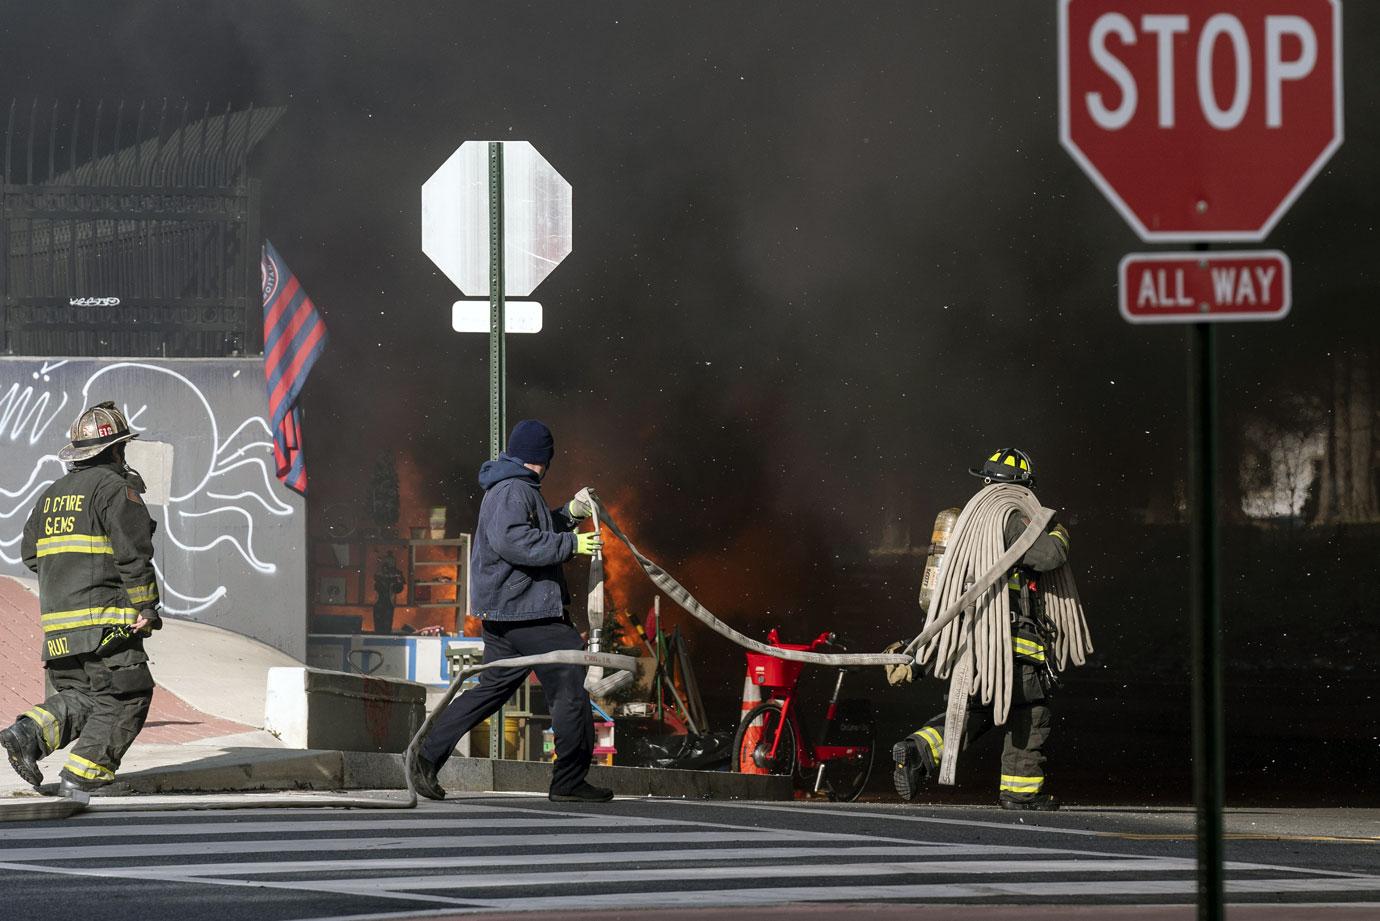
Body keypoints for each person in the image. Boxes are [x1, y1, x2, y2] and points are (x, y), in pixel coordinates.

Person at [412, 420, 609, 803]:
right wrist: (572, 545)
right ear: (543, 458)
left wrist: (569, 513)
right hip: (528, 611)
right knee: (570, 677)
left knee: (492, 689)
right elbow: (515, 540)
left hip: (508, 613)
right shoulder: (514, 489)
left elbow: (531, 526)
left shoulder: (511, 486)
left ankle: (425, 755)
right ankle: (569, 780)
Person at [891, 448, 1070, 811]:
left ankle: (918, 750)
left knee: (975, 710)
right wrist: (1060, 532)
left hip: (972, 640)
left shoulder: (971, 521)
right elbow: (1049, 555)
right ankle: (1020, 793)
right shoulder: (1012, 518)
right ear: (1022, 485)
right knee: (1030, 711)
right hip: (1011, 641)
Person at [0, 401, 162, 799]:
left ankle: (29, 733)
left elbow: (30, 555)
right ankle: (86, 775)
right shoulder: (115, 490)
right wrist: (146, 606)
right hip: (106, 622)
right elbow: (132, 554)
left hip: (58, 626)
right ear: (115, 450)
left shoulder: (51, 495)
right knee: (127, 694)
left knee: (84, 696)